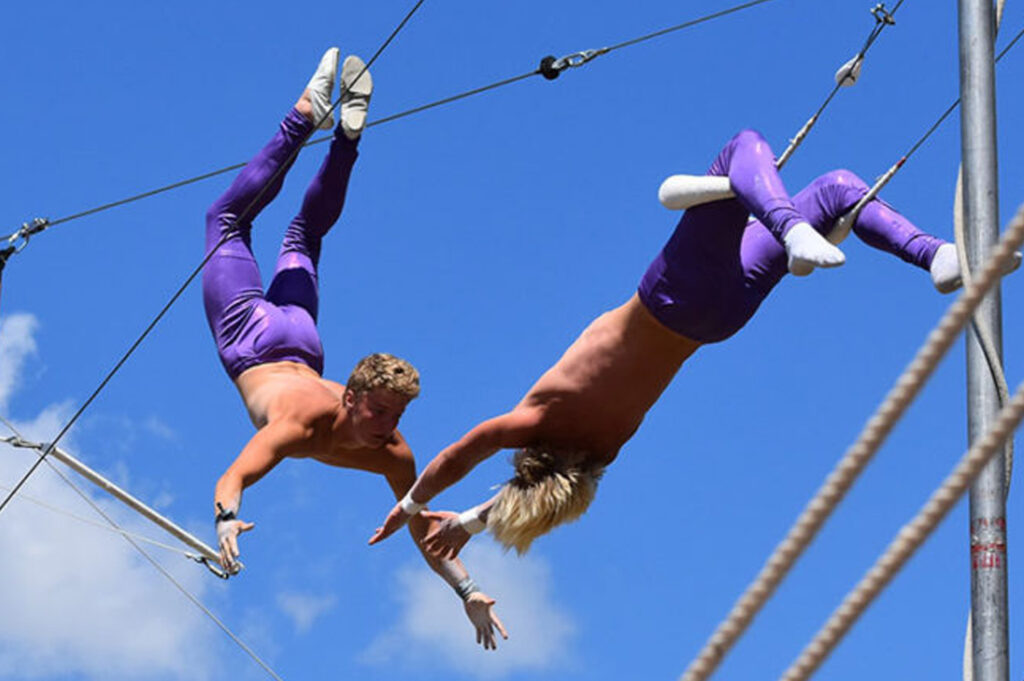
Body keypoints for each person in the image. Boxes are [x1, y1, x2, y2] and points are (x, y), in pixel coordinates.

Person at [368, 128, 1014, 557]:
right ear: (526, 465)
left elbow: (516, 498)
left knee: (839, 188)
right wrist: (414, 504)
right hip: (670, 295)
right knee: (745, 145)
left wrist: (472, 524)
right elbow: (457, 454)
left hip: (721, 318)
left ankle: (936, 257)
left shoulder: (601, 448)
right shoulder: (535, 419)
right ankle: (789, 226)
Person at [203, 48, 507, 648]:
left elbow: (424, 530)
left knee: (298, 234)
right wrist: (226, 518)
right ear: (352, 396)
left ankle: (344, 134)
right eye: (381, 412)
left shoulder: (394, 455)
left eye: (397, 416)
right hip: (256, 338)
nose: (389, 427)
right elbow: (234, 475)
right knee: (228, 221)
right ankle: (309, 119)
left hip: (297, 335)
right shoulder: (300, 423)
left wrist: (468, 591)